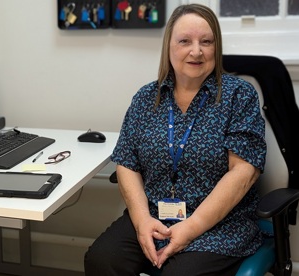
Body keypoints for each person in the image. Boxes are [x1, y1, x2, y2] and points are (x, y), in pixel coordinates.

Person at [84, 3, 266, 276]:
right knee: (101, 260)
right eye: (185, 41)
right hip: (154, 217)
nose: (196, 51)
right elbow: (126, 162)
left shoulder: (239, 96)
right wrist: (142, 219)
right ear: (168, 46)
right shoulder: (147, 98)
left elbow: (244, 172)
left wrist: (191, 228)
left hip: (220, 225)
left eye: (206, 41)